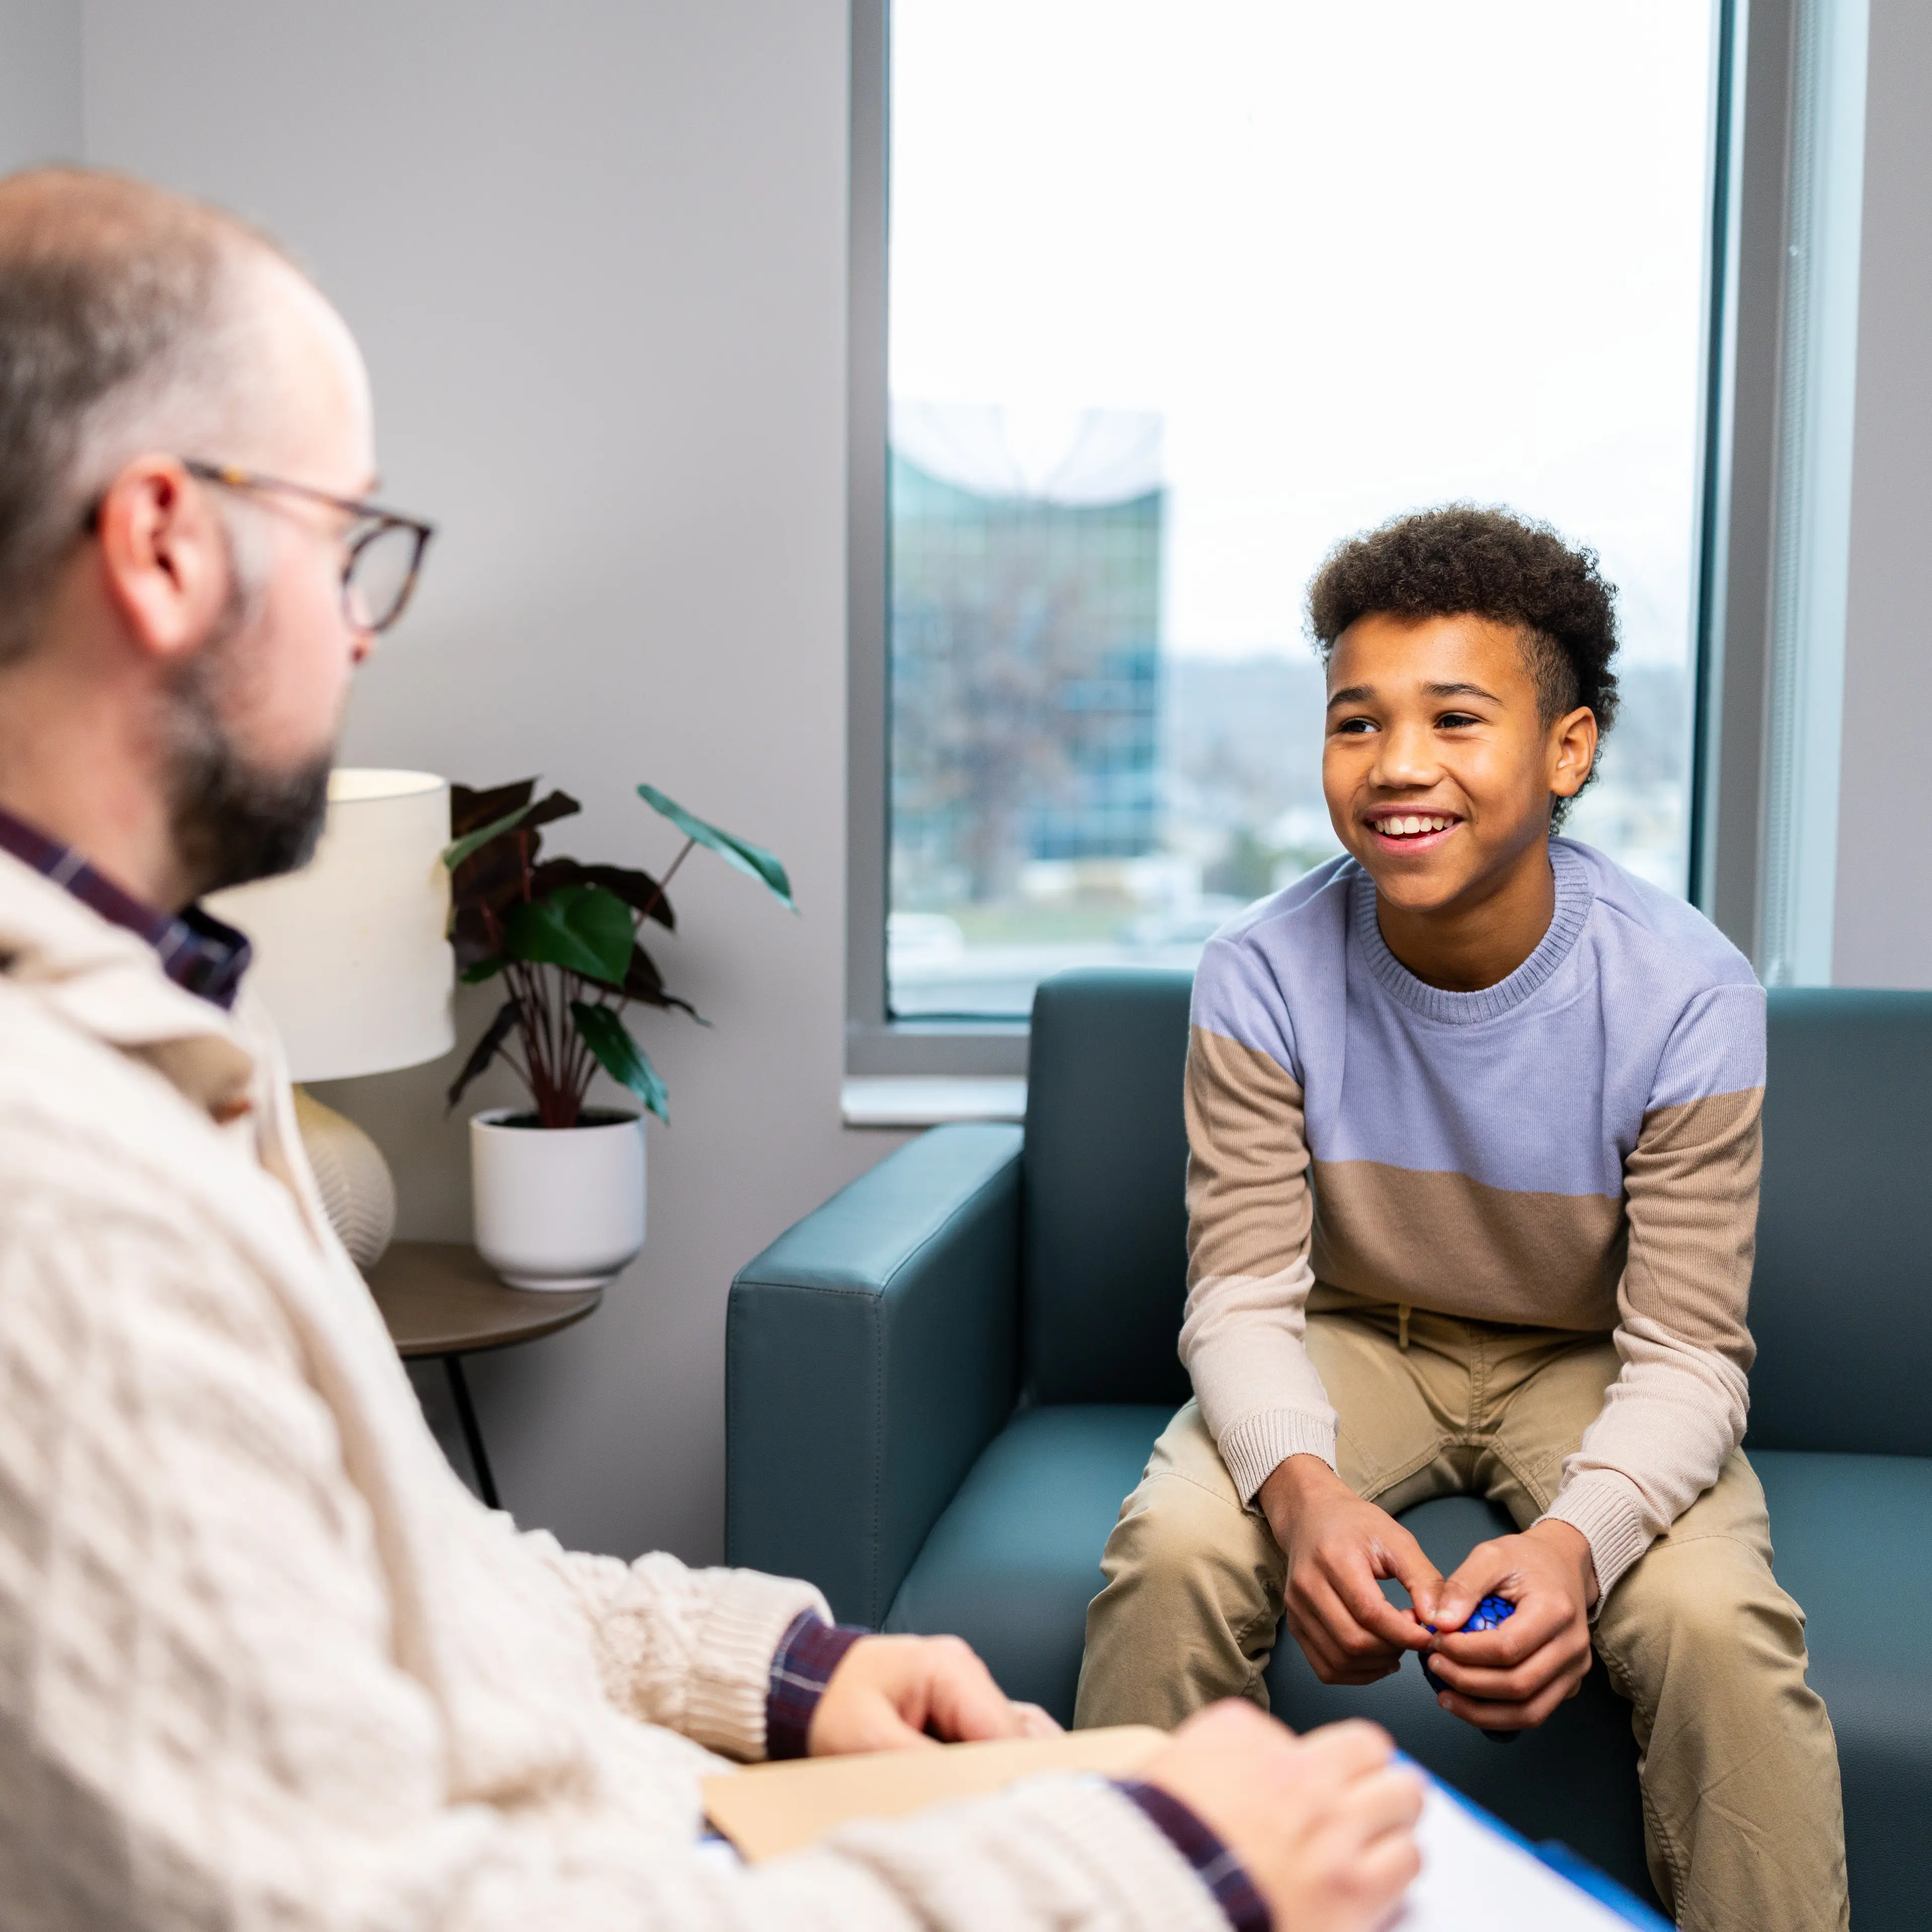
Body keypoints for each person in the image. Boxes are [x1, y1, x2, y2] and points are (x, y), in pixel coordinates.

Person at [0, 167, 1424, 1932]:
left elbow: (403, 1578)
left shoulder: (160, 1038)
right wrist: (1167, 1869)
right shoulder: (57, 1201)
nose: (361, 625)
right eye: (345, 542)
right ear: (164, 545)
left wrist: (782, 1672)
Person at [1075, 507, 1849, 1932]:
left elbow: (1688, 1356)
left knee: (1711, 1625)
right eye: (1356, 722)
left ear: (1568, 751)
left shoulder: (1690, 992)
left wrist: (1576, 1545)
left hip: (1593, 1359)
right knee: (1173, 1552)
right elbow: (1241, 1297)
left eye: (1455, 718)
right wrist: (1303, 1497)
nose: (1397, 764)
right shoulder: (1260, 972)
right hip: (1355, 1333)